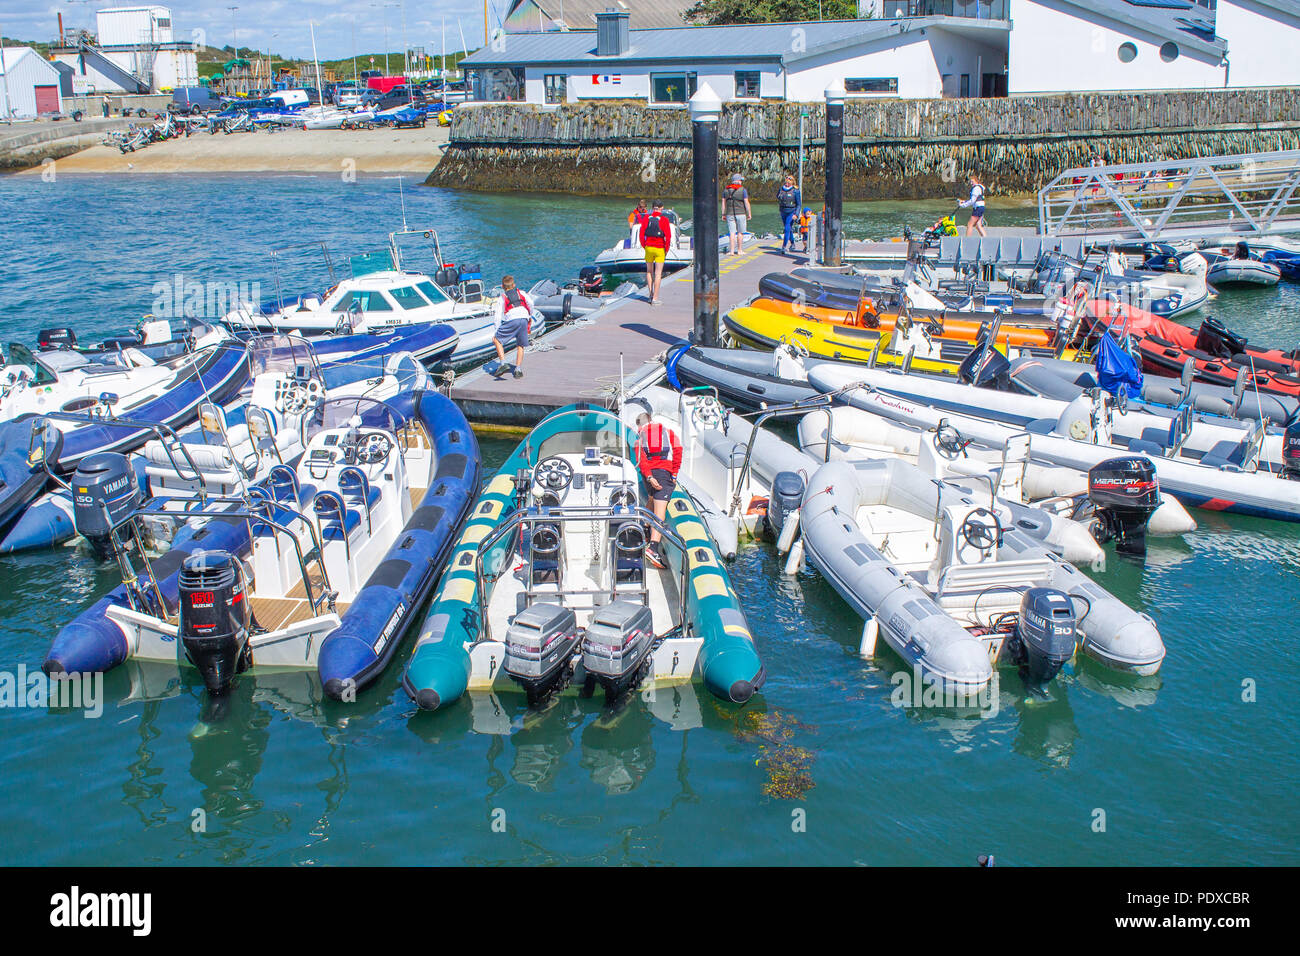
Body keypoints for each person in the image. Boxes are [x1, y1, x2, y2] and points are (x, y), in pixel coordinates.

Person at [634, 412, 682, 570]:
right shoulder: (668, 432)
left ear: (640, 425)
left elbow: (641, 461)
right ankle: (653, 548)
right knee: (660, 512)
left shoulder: (639, 438)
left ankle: (645, 529)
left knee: (651, 499)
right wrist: (674, 473)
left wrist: (648, 477)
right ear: (651, 420)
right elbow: (678, 452)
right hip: (663, 473)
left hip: (649, 477)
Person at [491, 275, 533, 379]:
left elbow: (497, 315)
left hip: (512, 319)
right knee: (520, 344)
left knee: (497, 339)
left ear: (502, 286)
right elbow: (530, 303)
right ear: (514, 285)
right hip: (524, 318)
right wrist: (529, 315)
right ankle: (518, 370)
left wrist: (496, 330)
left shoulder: (502, 297)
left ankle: (503, 364)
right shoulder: (522, 293)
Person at [639, 199, 673, 305]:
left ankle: (650, 294)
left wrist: (645, 246)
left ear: (652, 208)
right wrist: (666, 250)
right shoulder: (664, 220)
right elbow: (668, 237)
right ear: (661, 208)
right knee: (658, 273)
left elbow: (641, 235)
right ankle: (655, 298)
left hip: (648, 247)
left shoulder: (646, 218)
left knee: (649, 271)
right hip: (660, 248)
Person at [722, 173, 751, 255]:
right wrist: (749, 213)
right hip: (741, 213)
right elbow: (746, 202)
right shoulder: (743, 190)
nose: (741, 182)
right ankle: (739, 250)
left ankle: (731, 251)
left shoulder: (726, 190)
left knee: (732, 233)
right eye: (741, 180)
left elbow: (723, 203)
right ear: (738, 181)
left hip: (729, 214)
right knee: (740, 232)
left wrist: (723, 214)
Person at [776, 173, 801, 254]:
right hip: (783, 211)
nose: (787, 184)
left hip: (791, 212)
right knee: (788, 228)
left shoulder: (795, 191)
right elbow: (778, 197)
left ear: (792, 183)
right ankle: (793, 244)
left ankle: (784, 246)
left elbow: (799, 204)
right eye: (786, 182)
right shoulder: (781, 189)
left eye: (789, 183)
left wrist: (796, 214)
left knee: (787, 228)